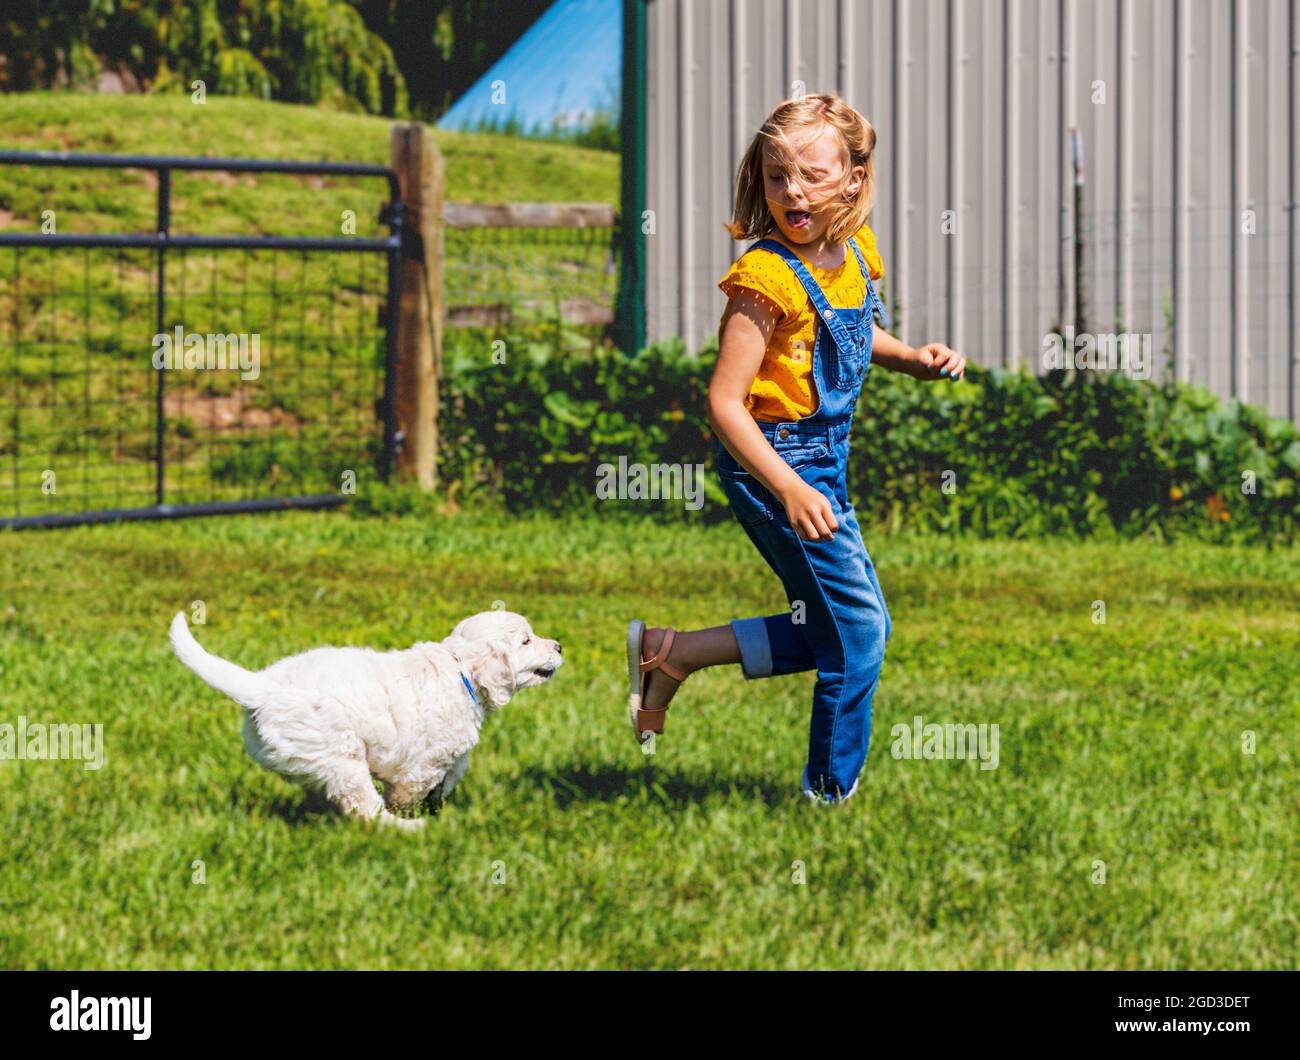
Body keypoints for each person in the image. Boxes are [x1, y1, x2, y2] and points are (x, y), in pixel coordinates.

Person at [626, 93, 965, 805]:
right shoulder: (764, 277)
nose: (793, 193)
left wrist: (912, 357)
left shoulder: (854, 255)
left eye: (811, 175)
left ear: (853, 179)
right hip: (771, 465)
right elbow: (724, 402)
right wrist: (788, 487)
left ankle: (673, 654)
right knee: (861, 635)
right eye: (778, 177)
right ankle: (828, 799)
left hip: (823, 463)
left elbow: (849, 336)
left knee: (839, 631)